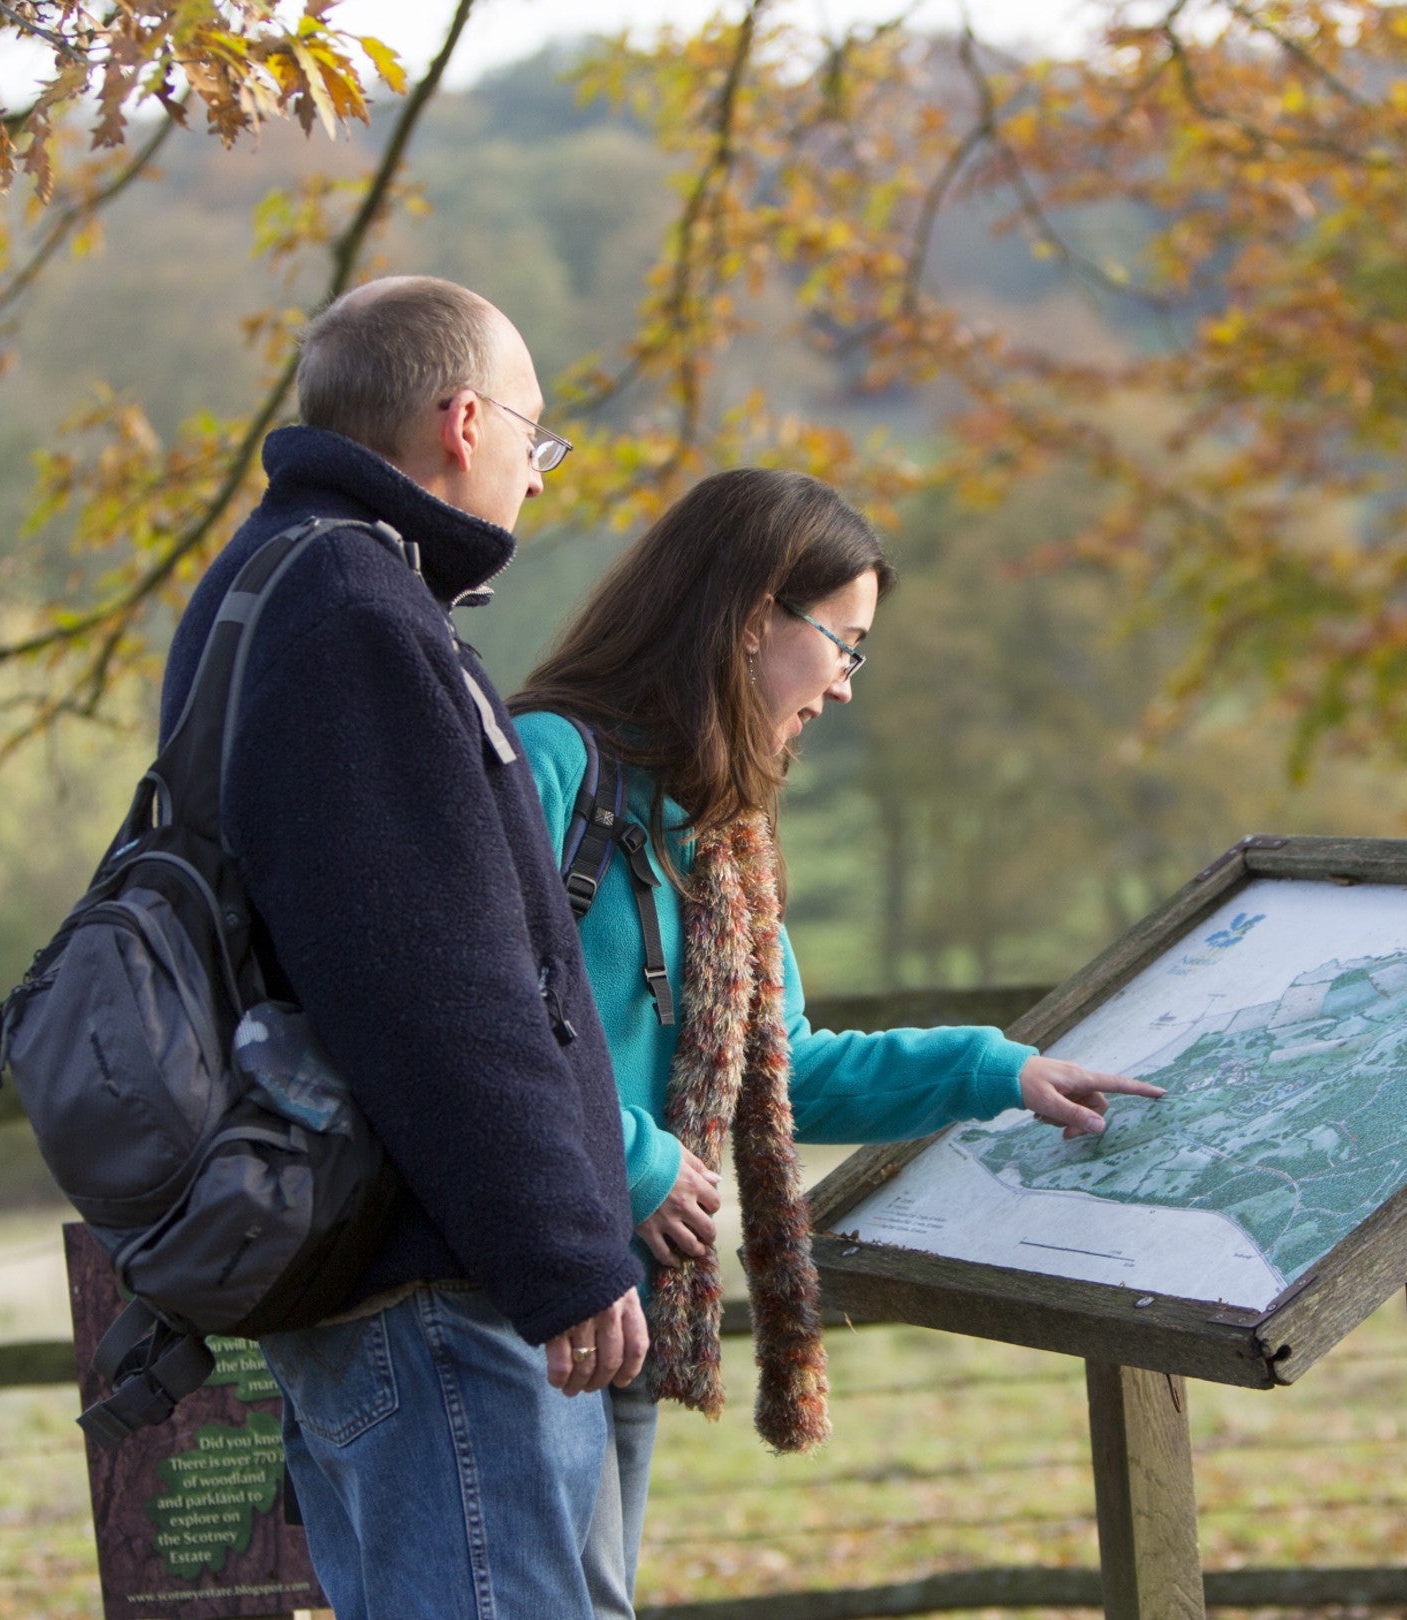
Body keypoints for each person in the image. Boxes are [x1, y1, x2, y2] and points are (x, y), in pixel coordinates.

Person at [507, 467, 1164, 1615]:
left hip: (626, 1307)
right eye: (845, 644)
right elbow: (471, 1022)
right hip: (512, 1295)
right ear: (758, 616)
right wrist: (635, 1159)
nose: (849, 686)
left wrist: (1000, 1070)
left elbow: (784, 1067)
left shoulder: (726, 837)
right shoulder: (548, 765)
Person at [157, 275, 645, 1619]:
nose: (536, 480)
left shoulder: (286, 585)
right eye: (534, 441)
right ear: (463, 419)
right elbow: (437, 982)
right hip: (436, 1290)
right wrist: (562, 1251)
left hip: (390, 1275)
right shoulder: (352, 614)